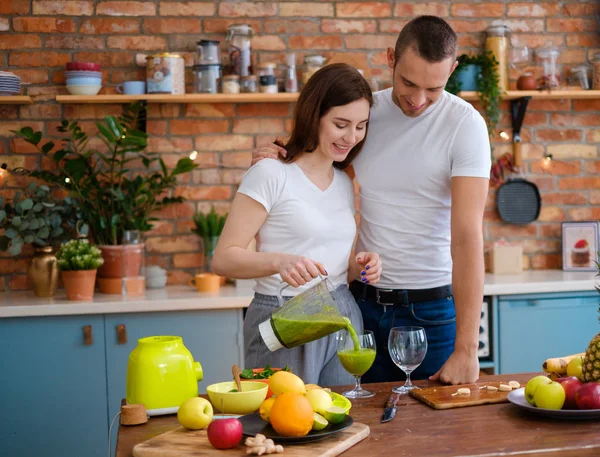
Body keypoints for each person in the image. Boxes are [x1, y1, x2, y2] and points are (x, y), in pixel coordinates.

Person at [251, 16, 491, 386]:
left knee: (436, 438)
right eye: (408, 82)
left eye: (434, 88)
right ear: (390, 58)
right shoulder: (365, 115)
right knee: (359, 431)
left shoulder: (465, 125)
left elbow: (467, 236)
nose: (418, 100)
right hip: (360, 307)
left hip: (432, 312)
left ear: (453, 71)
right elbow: (317, 164)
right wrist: (283, 153)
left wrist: (466, 349)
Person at [212, 63, 382, 387]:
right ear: (314, 115)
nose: (351, 137)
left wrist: (363, 264)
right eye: (341, 124)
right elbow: (223, 258)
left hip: (341, 310)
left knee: (340, 420)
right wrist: (279, 261)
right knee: (282, 428)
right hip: (285, 316)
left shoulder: (345, 182)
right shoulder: (270, 173)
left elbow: (335, 265)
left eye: (361, 126)